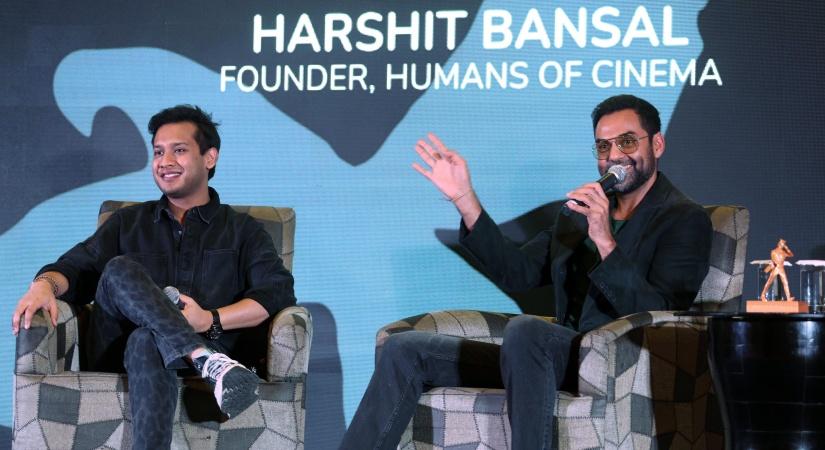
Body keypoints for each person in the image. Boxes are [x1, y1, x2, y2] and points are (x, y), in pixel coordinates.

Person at [340, 94, 712, 449]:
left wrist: (605, 241)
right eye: (603, 146)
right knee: (405, 348)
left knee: (526, 330)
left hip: (623, 362)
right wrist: (465, 200)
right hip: (556, 357)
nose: (615, 155)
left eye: (627, 142)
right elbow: (518, 273)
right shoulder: (580, 213)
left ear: (657, 144)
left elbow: (662, 313)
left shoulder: (683, 219)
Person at [11, 105, 296, 449]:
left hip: (200, 343)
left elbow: (276, 292)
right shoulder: (127, 223)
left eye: (179, 150)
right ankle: (206, 361)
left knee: (146, 340)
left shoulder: (243, 231)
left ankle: (206, 358)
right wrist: (44, 285)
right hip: (115, 351)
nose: (164, 161)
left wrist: (210, 319)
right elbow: (76, 267)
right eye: (158, 152)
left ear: (210, 157)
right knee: (118, 270)